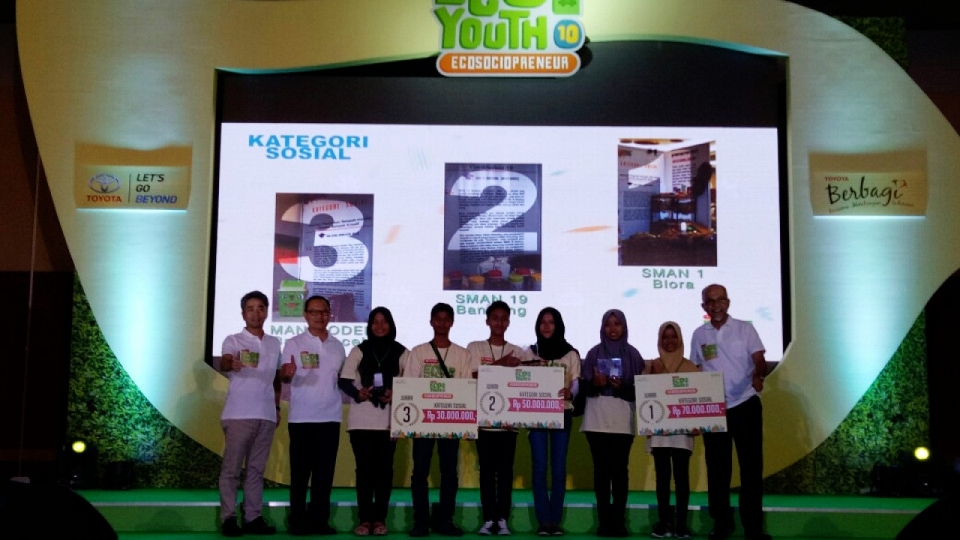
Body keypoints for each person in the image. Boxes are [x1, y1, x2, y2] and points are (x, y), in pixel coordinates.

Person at [689, 284, 770, 540]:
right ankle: (721, 523)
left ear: (728, 302)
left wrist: (757, 375)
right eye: (710, 301)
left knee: (751, 469)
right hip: (714, 409)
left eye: (720, 300)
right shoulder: (698, 334)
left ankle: (753, 527)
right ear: (704, 306)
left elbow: (759, 359)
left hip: (745, 404)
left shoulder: (745, 329)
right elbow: (696, 370)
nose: (716, 306)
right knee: (717, 470)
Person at [401, 303, 477, 537]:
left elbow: (467, 389)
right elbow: (409, 386)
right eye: (438, 318)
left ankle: (446, 520)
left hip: (450, 421)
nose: (442, 323)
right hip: (423, 422)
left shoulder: (463, 354)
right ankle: (420, 522)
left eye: (446, 319)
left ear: (452, 322)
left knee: (449, 473)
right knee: (419, 472)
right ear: (431, 321)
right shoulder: (418, 352)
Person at [279, 295, 347, 536]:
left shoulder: (338, 345)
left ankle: (320, 521)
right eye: (315, 312)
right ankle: (297, 521)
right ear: (305, 315)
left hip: (331, 417)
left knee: (324, 474)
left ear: (330, 314)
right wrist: (287, 373)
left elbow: (343, 379)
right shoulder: (294, 343)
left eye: (324, 312)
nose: (320, 316)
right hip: (302, 418)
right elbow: (284, 376)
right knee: (300, 474)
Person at [218, 291, 282, 537]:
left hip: (266, 414)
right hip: (239, 414)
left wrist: (277, 408)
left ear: (266, 312)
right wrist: (231, 363)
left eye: (261, 308)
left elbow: (276, 379)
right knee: (232, 470)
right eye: (250, 309)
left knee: (256, 470)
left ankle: (252, 517)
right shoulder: (233, 340)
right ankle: (228, 518)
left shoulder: (274, 343)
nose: (256, 313)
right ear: (243, 313)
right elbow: (224, 362)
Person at [338, 307, 407, 537]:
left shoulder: (402, 352)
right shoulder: (359, 350)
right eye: (375, 322)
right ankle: (365, 519)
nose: (379, 326)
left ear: (391, 325)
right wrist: (358, 393)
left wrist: (395, 394)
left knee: (384, 472)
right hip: (361, 421)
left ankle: (380, 519)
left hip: (389, 421)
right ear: (369, 325)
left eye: (384, 321)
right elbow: (344, 380)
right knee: (364, 472)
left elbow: (411, 384)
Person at [580, 309, 645, 538]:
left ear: (624, 327)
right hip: (596, 418)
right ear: (602, 327)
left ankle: (618, 522)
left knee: (619, 473)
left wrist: (622, 387)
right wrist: (596, 384)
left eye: (617, 324)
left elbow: (641, 392)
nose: (613, 328)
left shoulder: (633, 355)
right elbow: (583, 390)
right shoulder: (593, 353)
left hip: (622, 419)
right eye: (608, 324)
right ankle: (604, 522)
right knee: (601, 473)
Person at [466, 301, 525, 536]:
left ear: (508, 322)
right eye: (495, 318)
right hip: (484, 422)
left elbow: (524, 382)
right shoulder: (475, 347)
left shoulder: (519, 352)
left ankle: (502, 519)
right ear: (487, 321)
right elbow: (472, 377)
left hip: (509, 424)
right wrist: (501, 365)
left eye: (503, 318)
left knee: (506, 473)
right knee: (487, 472)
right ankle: (489, 518)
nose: (499, 322)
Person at [525, 307, 581, 537]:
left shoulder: (570, 354)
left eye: (551, 322)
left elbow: (576, 383)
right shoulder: (530, 352)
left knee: (558, 469)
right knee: (539, 468)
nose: (547, 326)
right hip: (536, 414)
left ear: (558, 325)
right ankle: (543, 521)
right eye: (543, 322)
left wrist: (571, 392)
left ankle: (554, 522)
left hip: (562, 412)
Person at [645, 322, 699, 539]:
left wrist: (700, 423)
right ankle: (664, 522)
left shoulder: (691, 367)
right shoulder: (651, 366)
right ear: (659, 339)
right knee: (662, 477)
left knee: (682, 477)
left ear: (680, 339)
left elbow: (698, 398)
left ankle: (681, 524)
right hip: (659, 433)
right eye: (665, 337)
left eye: (673, 336)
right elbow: (645, 395)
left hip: (682, 434)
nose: (669, 341)